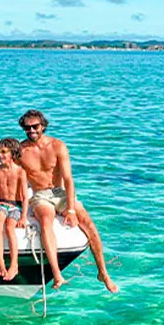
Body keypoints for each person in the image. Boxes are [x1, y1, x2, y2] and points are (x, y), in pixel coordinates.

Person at [17, 109, 118, 293]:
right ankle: (56, 274)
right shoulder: (21, 151)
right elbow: (13, 174)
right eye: (27, 127)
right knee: (46, 222)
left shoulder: (57, 146)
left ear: (43, 126)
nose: (31, 130)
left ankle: (103, 272)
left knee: (87, 222)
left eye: (35, 126)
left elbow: (69, 179)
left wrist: (71, 209)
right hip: (40, 195)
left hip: (60, 192)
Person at [0, 138, 29, 281]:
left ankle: (14, 264)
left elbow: (24, 196)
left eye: (4, 152)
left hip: (15, 205)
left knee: (10, 228)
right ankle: (1, 263)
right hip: (2, 203)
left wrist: (23, 216)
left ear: (13, 153)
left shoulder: (20, 172)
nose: (0, 155)